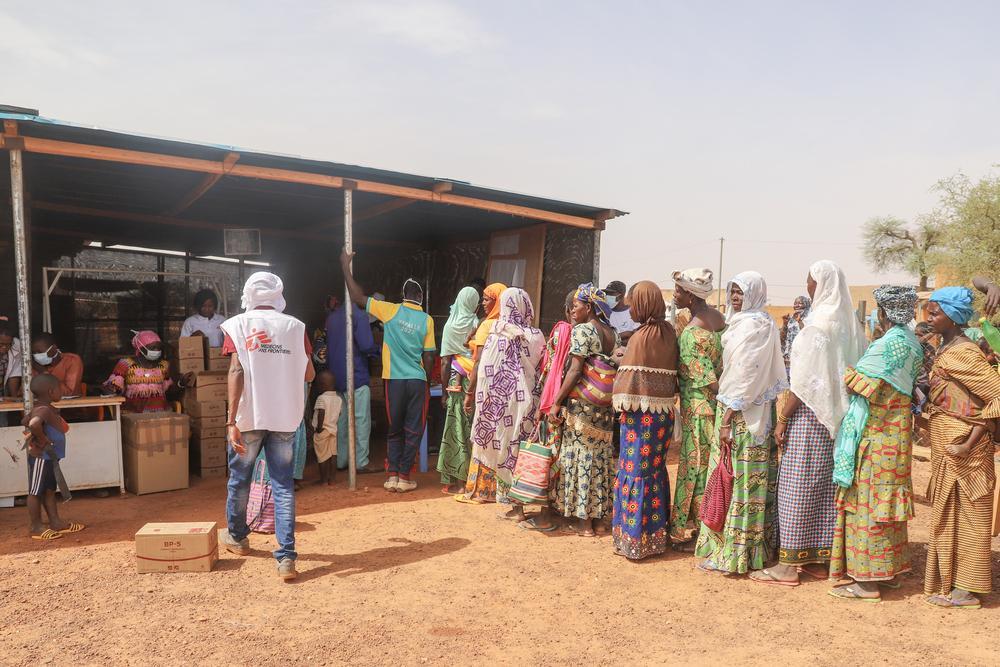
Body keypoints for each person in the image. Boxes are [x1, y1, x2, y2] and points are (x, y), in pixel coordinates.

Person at [751, 260, 865, 586]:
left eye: (810, 280)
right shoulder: (848, 325)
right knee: (824, 488)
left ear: (822, 284)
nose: (807, 286)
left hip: (810, 417)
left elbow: (802, 383)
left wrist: (783, 418)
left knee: (795, 486)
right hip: (838, 420)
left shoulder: (817, 327)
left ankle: (788, 566)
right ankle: (818, 559)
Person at [827, 285, 922, 602]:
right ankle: (889, 572)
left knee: (866, 505)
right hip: (897, 435)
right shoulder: (912, 342)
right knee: (887, 503)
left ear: (882, 312)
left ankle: (867, 581)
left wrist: (843, 368)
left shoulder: (888, 345)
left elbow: (861, 385)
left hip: (876, 436)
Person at [219, 272, 315, 581]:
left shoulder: (237, 325)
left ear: (249, 293)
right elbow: (310, 375)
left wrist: (230, 420)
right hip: (285, 418)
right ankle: (286, 557)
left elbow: (236, 370)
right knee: (283, 485)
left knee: (239, 480)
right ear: (278, 295)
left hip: (249, 418)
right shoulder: (296, 327)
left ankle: (237, 537)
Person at [695, 271, 787, 574]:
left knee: (740, 483)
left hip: (743, 417)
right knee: (740, 482)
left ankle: (735, 556)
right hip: (750, 413)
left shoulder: (755, 326)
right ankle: (750, 552)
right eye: (733, 291)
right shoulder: (747, 323)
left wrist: (728, 417)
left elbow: (746, 376)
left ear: (755, 293)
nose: (736, 297)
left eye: (741, 291)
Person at [923, 287, 1000, 610]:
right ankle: (953, 582)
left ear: (953, 318)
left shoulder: (963, 353)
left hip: (965, 451)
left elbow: (997, 395)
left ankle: (968, 589)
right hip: (949, 444)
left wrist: (971, 439)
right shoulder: (947, 347)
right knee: (950, 514)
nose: (929, 317)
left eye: (935, 312)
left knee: (970, 515)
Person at [341, 249, 435, 493]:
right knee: (413, 428)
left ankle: (392, 475)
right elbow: (429, 355)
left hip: (393, 380)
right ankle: (405, 476)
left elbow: (357, 296)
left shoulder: (390, 310)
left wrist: (344, 265)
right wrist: (426, 380)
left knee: (394, 427)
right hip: (416, 380)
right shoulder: (427, 320)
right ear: (421, 297)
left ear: (403, 295)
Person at [610, 281, 678, 559]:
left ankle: (634, 540)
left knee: (634, 472)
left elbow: (629, 382)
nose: (631, 306)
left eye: (634, 301)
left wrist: (619, 361)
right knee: (654, 472)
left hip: (640, 421)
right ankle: (655, 537)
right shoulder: (668, 332)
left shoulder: (641, 337)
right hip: (663, 418)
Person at [465, 288, 545, 518]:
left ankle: (516, 507)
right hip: (529, 402)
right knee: (522, 451)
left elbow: (485, 370)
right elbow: (541, 368)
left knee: (504, 450)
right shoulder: (537, 335)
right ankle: (523, 503)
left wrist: (480, 401)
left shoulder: (498, 331)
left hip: (503, 403)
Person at [549, 283, 620, 537]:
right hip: (604, 410)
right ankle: (600, 520)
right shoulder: (612, 333)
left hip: (582, 408)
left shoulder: (582, 331)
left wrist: (557, 401)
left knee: (580, 459)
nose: (573, 310)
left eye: (577, 306)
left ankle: (584, 523)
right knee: (600, 460)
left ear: (589, 307)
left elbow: (575, 370)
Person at [669, 268, 725, 551]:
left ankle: (696, 529)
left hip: (699, 408)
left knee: (696, 469)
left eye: (678, 290)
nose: (675, 295)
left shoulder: (691, 333)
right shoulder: (719, 319)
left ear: (690, 295)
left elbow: (707, 381)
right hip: (715, 408)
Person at [519, 289, 577, 532]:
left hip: (554, 403)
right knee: (565, 459)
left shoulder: (562, 331)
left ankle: (544, 516)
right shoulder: (589, 333)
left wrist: (545, 403)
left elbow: (550, 370)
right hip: (576, 407)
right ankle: (563, 510)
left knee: (549, 456)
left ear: (567, 310)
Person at [22, 374, 84, 540]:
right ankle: (35, 526)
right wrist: (43, 440)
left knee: (49, 490)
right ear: (50, 391)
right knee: (36, 492)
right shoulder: (43, 409)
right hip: (41, 457)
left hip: (49, 458)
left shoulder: (45, 407)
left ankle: (55, 522)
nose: (62, 391)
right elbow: (33, 424)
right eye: (59, 389)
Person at [325, 293, 380, 474]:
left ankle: (341, 460)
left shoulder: (331, 318)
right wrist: (379, 350)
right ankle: (361, 462)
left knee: (341, 422)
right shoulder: (359, 316)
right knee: (361, 420)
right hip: (356, 375)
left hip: (336, 377)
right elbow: (366, 345)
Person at [437, 286, 480, 493]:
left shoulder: (450, 326)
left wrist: (444, 392)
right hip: (474, 381)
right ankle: (471, 479)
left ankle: (454, 481)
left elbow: (445, 361)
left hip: (455, 381)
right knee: (471, 427)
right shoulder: (477, 324)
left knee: (455, 427)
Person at [103, 331, 191, 413]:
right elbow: (111, 390)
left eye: (158, 348)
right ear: (140, 348)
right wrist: (112, 388)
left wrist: (181, 383)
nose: (156, 351)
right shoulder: (125, 364)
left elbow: (169, 392)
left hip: (160, 414)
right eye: (153, 348)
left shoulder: (164, 365)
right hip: (132, 416)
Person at [311, 369, 343, 486]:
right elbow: (339, 414)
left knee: (322, 456)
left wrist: (319, 429)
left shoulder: (321, 398)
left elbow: (321, 413)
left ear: (322, 385)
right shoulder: (338, 399)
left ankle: (324, 480)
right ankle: (333, 479)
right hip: (333, 430)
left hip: (322, 431)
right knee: (333, 454)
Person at [30, 333, 83, 397]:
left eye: (40, 352)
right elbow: (26, 392)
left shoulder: (72, 360)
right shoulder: (35, 364)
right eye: (34, 353)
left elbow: (70, 392)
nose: (36, 356)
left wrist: (44, 373)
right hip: (42, 404)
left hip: (69, 405)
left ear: (53, 348)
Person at [783, 295, 811, 363]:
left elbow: (808, 334)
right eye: (795, 303)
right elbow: (786, 338)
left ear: (806, 304)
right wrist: (785, 324)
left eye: (800, 303)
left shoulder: (810, 317)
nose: (797, 305)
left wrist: (799, 321)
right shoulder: (792, 319)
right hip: (791, 356)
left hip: (804, 355)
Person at [0, 324, 23, 399]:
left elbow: (14, 374)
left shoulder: (17, 345)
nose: (4, 347)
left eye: (8, 344)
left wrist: (14, 398)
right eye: (1, 344)